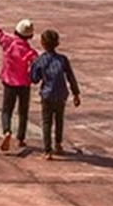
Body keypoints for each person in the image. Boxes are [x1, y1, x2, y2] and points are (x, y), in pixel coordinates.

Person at [0, 10, 37, 152]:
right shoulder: (30, 52)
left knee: (6, 110)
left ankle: (7, 131)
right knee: (23, 111)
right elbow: (37, 66)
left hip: (9, 82)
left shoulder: (8, 43)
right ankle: (21, 138)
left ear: (16, 31)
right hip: (24, 84)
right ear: (30, 36)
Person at [29, 28, 81, 159]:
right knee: (59, 120)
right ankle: (58, 144)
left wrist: (30, 69)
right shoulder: (63, 59)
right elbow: (70, 77)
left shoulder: (39, 60)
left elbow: (34, 79)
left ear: (42, 43)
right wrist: (76, 94)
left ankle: (47, 150)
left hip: (47, 94)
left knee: (47, 122)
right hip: (61, 94)